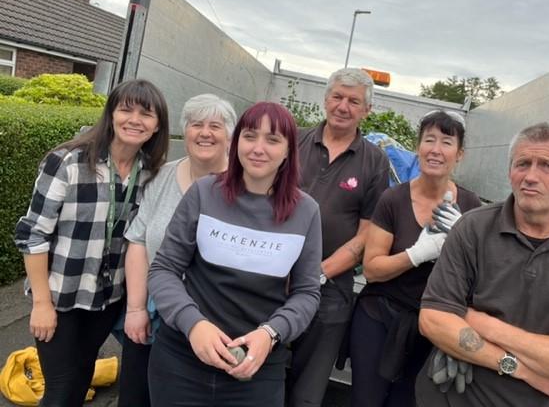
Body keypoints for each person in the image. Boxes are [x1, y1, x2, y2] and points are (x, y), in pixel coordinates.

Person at [418, 122, 549, 407]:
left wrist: (484, 323)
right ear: (510, 172)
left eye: (547, 166)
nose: (530, 176)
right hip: (451, 398)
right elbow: (434, 319)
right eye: (523, 164)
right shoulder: (473, 228)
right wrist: (521, 368)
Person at [147, 101, 322, 407]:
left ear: (288, 151)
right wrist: (193, 323)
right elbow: (164, 269)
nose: (258, 148)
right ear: (237, 140)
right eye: (250, 136)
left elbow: (307, 293)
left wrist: (271, 333)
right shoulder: (204, 193)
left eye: (273, 139)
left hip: (257, 369)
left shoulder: (306, 212)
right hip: (182, 359)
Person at [14, 79, 169, 407]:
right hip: (61, 297)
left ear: (157, 126)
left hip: (108, 299)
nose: (134, 119)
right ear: (111, 113)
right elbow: (33, 233)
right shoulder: (68, 161)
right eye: (126, 109)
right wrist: (42, 304)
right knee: (60, 389)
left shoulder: (148, 174)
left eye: (146, 114)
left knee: (82, 374)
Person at [350, 110, 482, 406]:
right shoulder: (393, 199)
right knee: (365, 400)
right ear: (418, 147)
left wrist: (459, 244)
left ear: (459, 154)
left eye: (446, 142)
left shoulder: (472, 208)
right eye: (429, 140)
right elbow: (372, 270)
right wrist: (418, 253)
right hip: (380, 317)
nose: (436, 149)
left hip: (432, 327)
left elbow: (480, 281)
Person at [117, 93, 237, 407]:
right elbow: (139, 241)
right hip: (155, 309)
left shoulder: (242, 187)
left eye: (216, 126)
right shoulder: (162, 176)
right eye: (197, 124)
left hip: (210, 319)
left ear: (230, 136)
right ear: (185, 131)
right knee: (135, 396)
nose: (205, 132)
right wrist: (136, 308)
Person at [288, 68, 390, 407]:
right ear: (326, 99)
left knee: (306, 392)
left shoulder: (375, 162)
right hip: (274, 280)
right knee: (257, 373)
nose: (343, 106)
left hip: (331, 293)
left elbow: (367, 235)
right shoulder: (294, 141)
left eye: (354, 101)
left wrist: (317, 273)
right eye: (337, 97)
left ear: (367, 110)